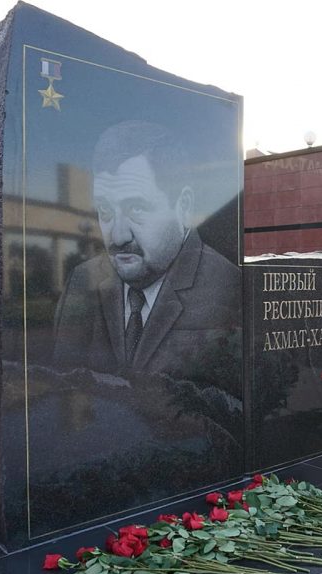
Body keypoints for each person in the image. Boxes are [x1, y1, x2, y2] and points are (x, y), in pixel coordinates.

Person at [52, 120, 241, 384]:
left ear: (184, 206)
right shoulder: (81, 280)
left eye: (136, 208)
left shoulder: (226, 287)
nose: (118, 236)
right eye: (105, 211)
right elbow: (62, 386)